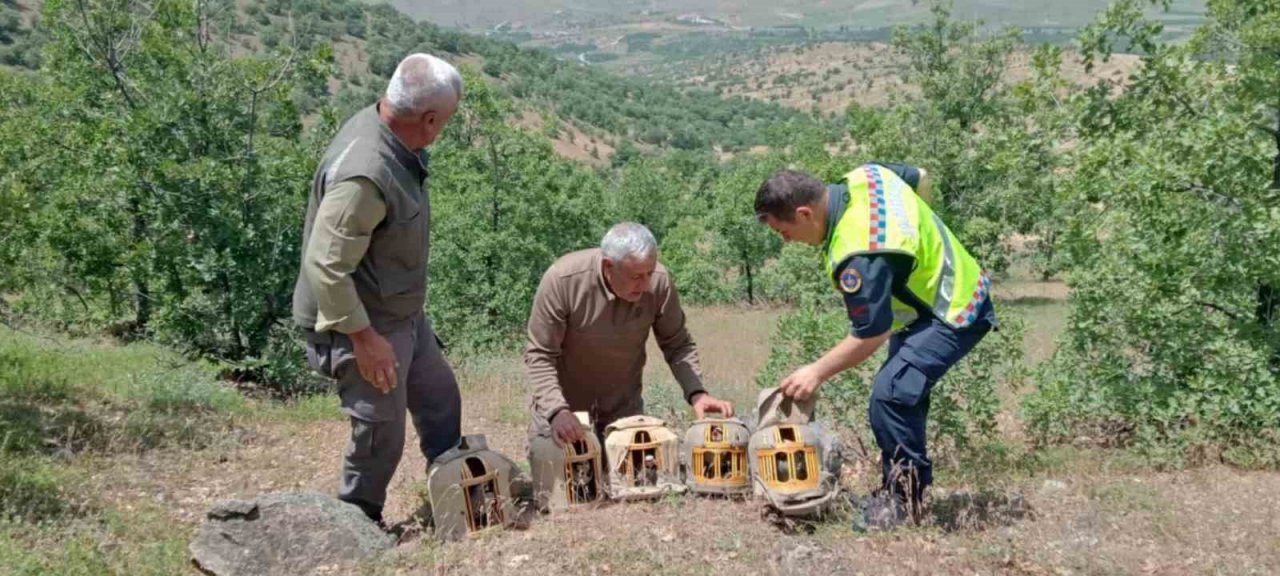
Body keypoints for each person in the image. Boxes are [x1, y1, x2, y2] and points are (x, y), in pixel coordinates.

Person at [753, 163, 997, 529]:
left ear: (805, 213)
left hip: (953, 311)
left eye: (785, 232)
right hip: (940, 298)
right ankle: (895, 486)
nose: (787, 242)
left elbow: (870, 333)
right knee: (903, 394)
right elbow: (921, 175)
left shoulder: (859, 254)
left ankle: (903, 503)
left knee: (892, 395)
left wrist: (815, 372)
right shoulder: (867, 176)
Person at [291, 53, 463, 527]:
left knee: (439, 396)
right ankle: (358, 521)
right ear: (428, 119)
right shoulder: (366, 173)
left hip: (401, 311)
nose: (443, 129)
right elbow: (326, 266)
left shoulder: (392, 134)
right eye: (444, 121)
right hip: (360, 321)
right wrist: (364, 339)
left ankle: (457, 482)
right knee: (379, 430)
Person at [523, 222, 735, 450]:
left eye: (650, 273)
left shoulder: (659, 282)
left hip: (623, 411)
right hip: (563, 412)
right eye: (636, 276)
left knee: (634, 481)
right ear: (608, 266)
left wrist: (697, 393)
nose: (645, 284)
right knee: (558, 480)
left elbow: (677, 345)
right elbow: (540, 355)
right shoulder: (563, 280)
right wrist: (557, 411)